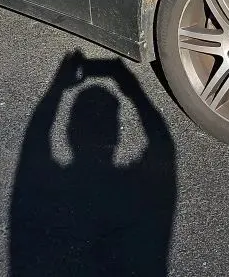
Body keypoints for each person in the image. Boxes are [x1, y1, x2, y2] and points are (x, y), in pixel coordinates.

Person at [9, 51, 177, 276]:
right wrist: (131, 88)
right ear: (116, 135)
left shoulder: (55, 186)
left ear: (69, 132)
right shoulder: (133, 188)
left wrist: (58, 87)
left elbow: (34, 142)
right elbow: (163, 145)